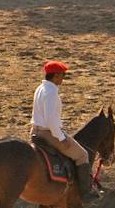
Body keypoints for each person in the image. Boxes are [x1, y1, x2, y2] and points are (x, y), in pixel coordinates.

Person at [30, 58, 94, 193]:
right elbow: (51, 119)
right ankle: (85, 193)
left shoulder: (40, 88)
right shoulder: (51, 92)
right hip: (48, 133)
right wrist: (61, 137)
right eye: (62, 75)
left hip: (35, 131)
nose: (63, 79)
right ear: (56, 75)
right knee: (82, 155)